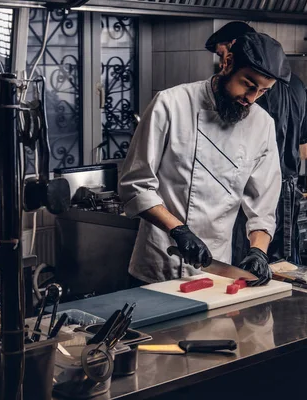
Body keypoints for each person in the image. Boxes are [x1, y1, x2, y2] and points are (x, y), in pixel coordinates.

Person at [119, 33, 289, 286]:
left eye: (262, 91)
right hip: (159, 262)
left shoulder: (262, 124)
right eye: (248, 85)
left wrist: (258, 251)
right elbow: (136, 185)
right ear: (227, 62)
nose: (251, 98)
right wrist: (179, 230)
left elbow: (262, 205)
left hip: (215, 270)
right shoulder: (170, 104)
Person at [205, 22, 307, 265]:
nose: (223, 64)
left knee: (245, 268)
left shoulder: (243, 94)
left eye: (223, 54)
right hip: (287, 191)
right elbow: (305, 151)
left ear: (236, 50)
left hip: (249, 194)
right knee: (281, 269)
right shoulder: (296, 84)